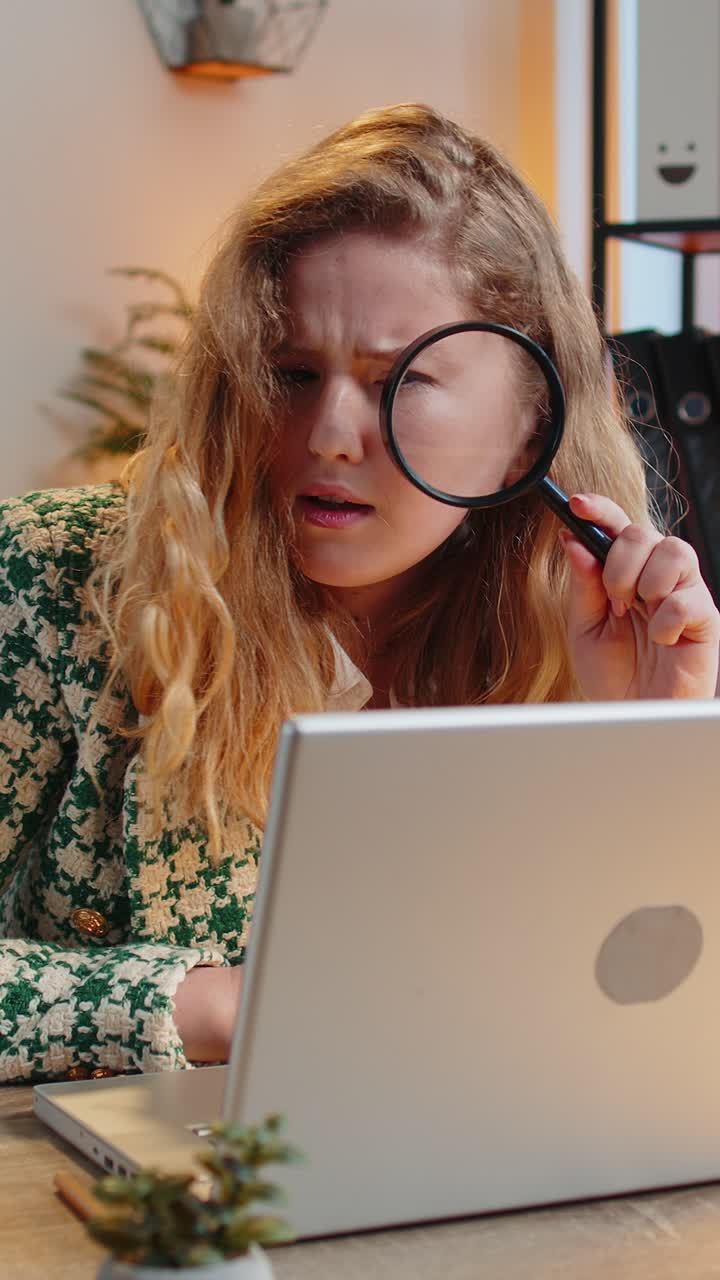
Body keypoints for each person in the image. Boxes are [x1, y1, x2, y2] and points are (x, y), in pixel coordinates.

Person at [1, 104, 718, 1085]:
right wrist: (214, 1001)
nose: (330, 432)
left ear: (529, 421)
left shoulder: (581, 637)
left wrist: (643, 746)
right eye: (290, 370)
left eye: (405, 378)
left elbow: (628, 1031)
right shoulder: (46, 583)